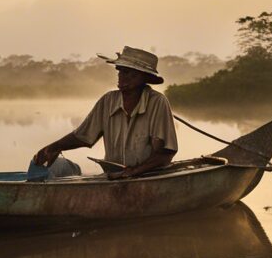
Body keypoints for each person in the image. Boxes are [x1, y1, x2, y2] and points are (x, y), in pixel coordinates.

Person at [33, 46, 178, 180]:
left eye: (127, 72)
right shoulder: (108, 101)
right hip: (114, 178)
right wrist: (53, 147)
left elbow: (165, 154)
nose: (121, 76)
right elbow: (83, 136)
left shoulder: (158, 102)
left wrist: (133, 172)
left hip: (149, 177)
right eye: (120, 70)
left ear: (143, 77)